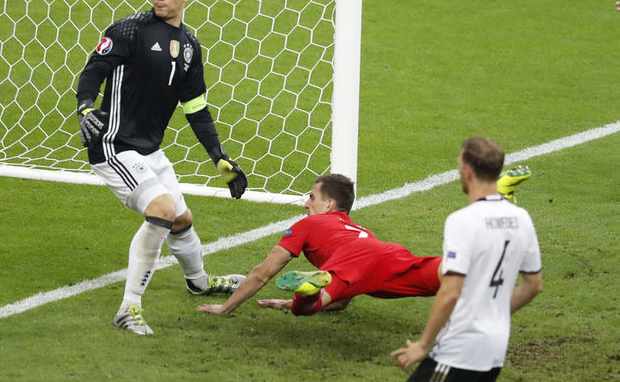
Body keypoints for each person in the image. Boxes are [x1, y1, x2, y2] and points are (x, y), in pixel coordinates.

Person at [74, 0, 248, 335]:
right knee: (163, 210)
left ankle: (199, 282)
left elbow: (196, 109)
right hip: (114, 146)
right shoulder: (129, 30)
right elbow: (93, 70)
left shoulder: (190, 48)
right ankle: (128, 308)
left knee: (181, 220)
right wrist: (86, 106)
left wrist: (219, 157)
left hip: (149, 150)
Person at [391, 136, 543, 381]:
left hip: (459, 351)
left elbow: (451, 292)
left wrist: (423, 344)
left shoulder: (462, 221)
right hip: (495, 349)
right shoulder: (521, 218)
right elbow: (533, 284)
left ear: (468, 171)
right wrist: (495, 315)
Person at [196, 173, 445, 317]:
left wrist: (225, 307)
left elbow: (263, 273)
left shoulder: (309, 224)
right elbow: (341, 300)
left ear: (328, 205)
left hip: (351, 258)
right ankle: (469, 262)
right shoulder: (363, 231)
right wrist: (286, 303)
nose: (306, 204)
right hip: (387, 252)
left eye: (312, 197)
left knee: (304, 309)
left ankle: (307, 293)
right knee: (445, 275)